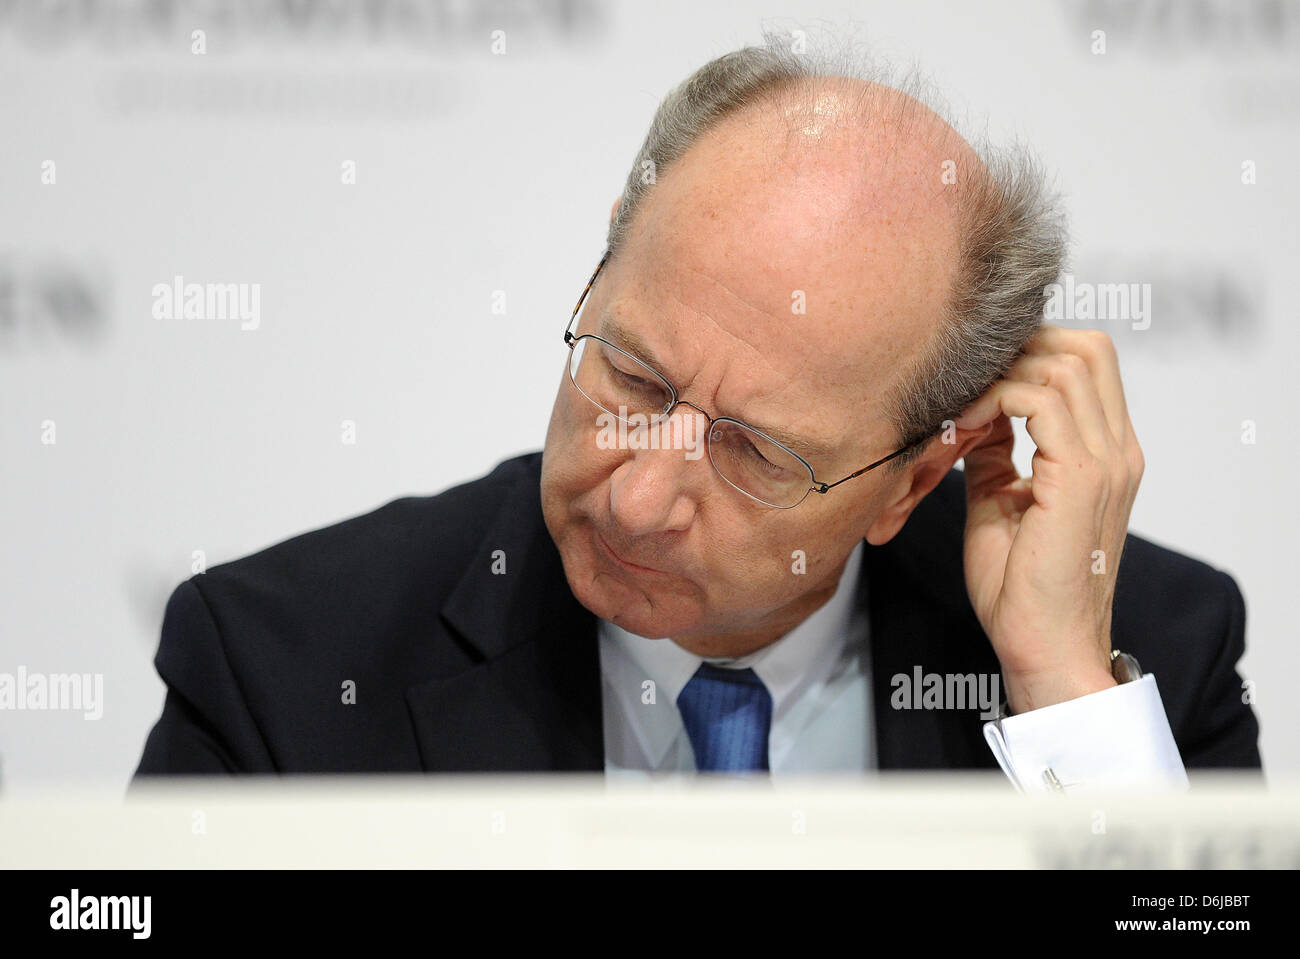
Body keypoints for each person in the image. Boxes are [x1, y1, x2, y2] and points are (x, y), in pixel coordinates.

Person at [134, 34, 1261, 793]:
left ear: (913, 478)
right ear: (605, 258)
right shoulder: (285, 669)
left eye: (758, 453)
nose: (634, 492)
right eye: (628, 373)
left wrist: (1062, 693)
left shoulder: (1143, 663)